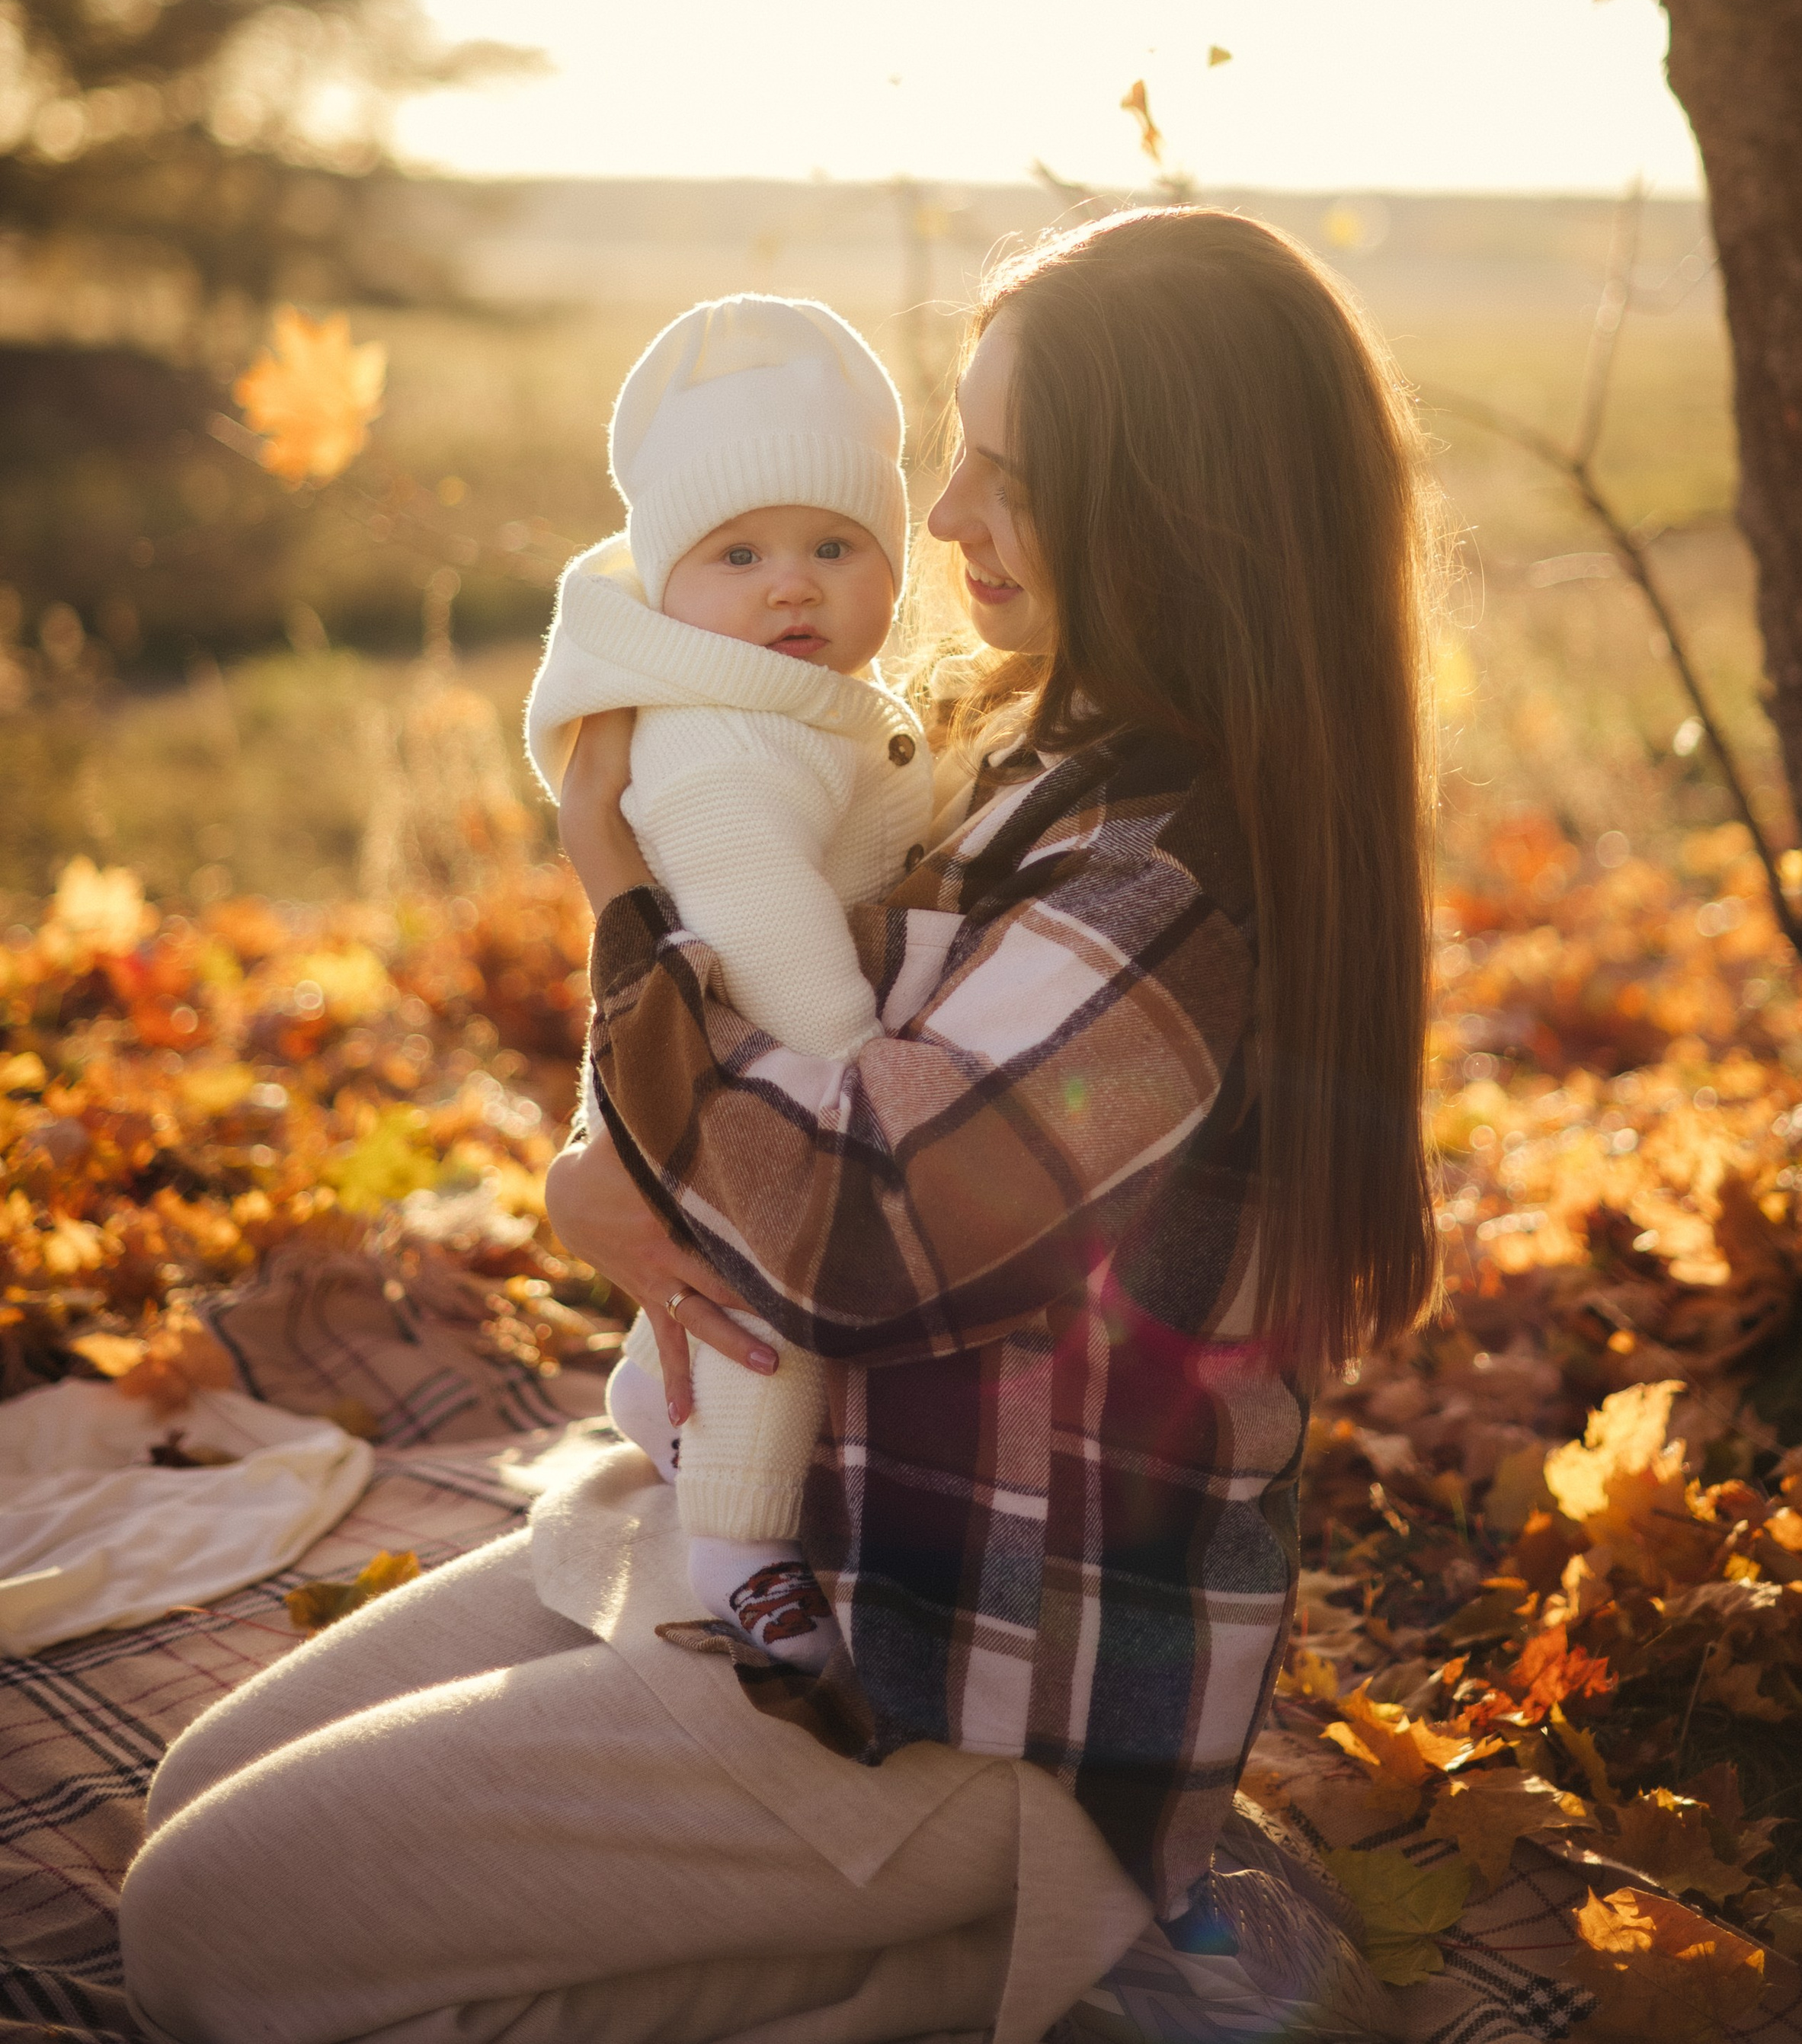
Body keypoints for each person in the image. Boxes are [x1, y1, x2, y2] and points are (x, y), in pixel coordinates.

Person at [117, 206, 1438, 2044]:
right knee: (191, 1796)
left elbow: (860, 1219)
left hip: (954, 1687)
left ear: (1169, 507)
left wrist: (612, 893)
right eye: (955, 444)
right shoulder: (1031, 756)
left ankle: (1001, 1945)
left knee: (207, 1936)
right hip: (801, 1540)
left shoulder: (1179, 904)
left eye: (1009, 469)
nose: (948, 510)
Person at [526, 293, 932, 1668]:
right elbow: (761, 915)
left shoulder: (798, 702)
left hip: (732, 1046)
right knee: (769, 1302)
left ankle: (653, 1402)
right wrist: (855, 1054)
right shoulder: (714, 748)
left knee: (730, 1290)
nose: (793, 586)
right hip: (761, 1063)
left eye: (836, 544)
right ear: (668, 582)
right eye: (739, 553)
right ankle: (743, 1540)